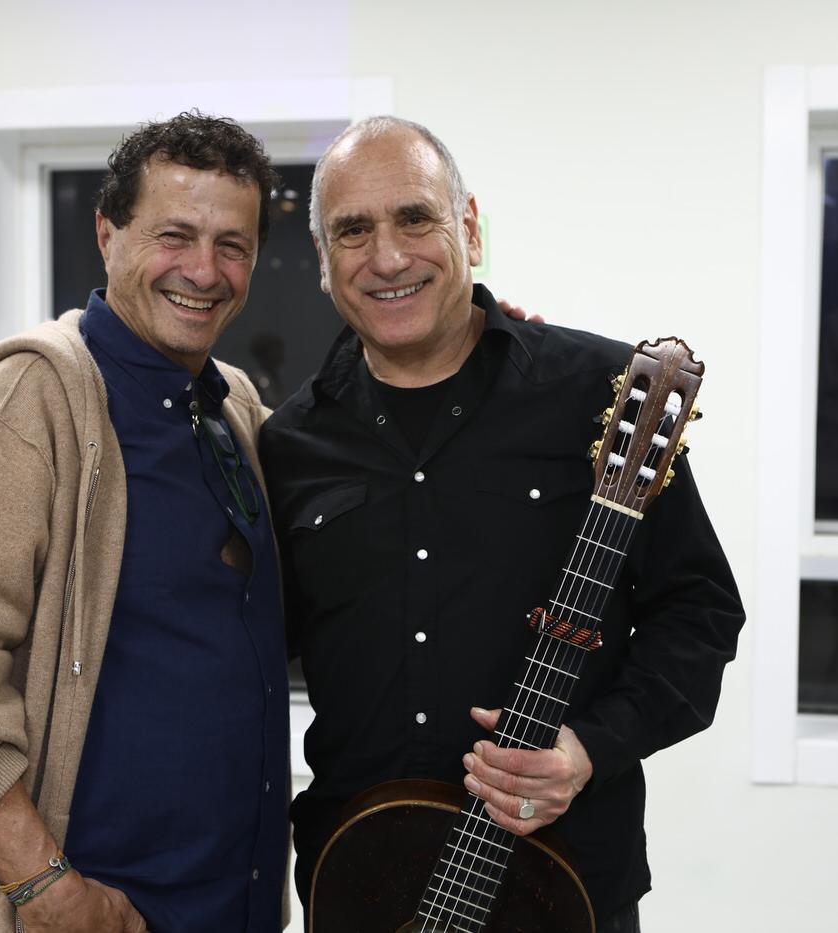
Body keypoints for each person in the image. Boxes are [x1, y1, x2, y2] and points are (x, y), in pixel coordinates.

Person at [258, 116, 745, 931]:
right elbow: (251, 649)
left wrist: (588, 749)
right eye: (353, 230)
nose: (388, 256)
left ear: (471, 229)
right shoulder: (290, 443)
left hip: (564, 885)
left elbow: (699, 613)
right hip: (360, 886)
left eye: (416, 217)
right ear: (322, 256)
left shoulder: (601, 394)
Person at [0, 112, 290, 933]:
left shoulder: (232, 409)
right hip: (86, 911)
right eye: (174, 235)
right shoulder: (26, 406)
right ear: (107, 234)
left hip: (231, 898)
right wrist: (45, 887)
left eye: (233, 245)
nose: (204, 270)